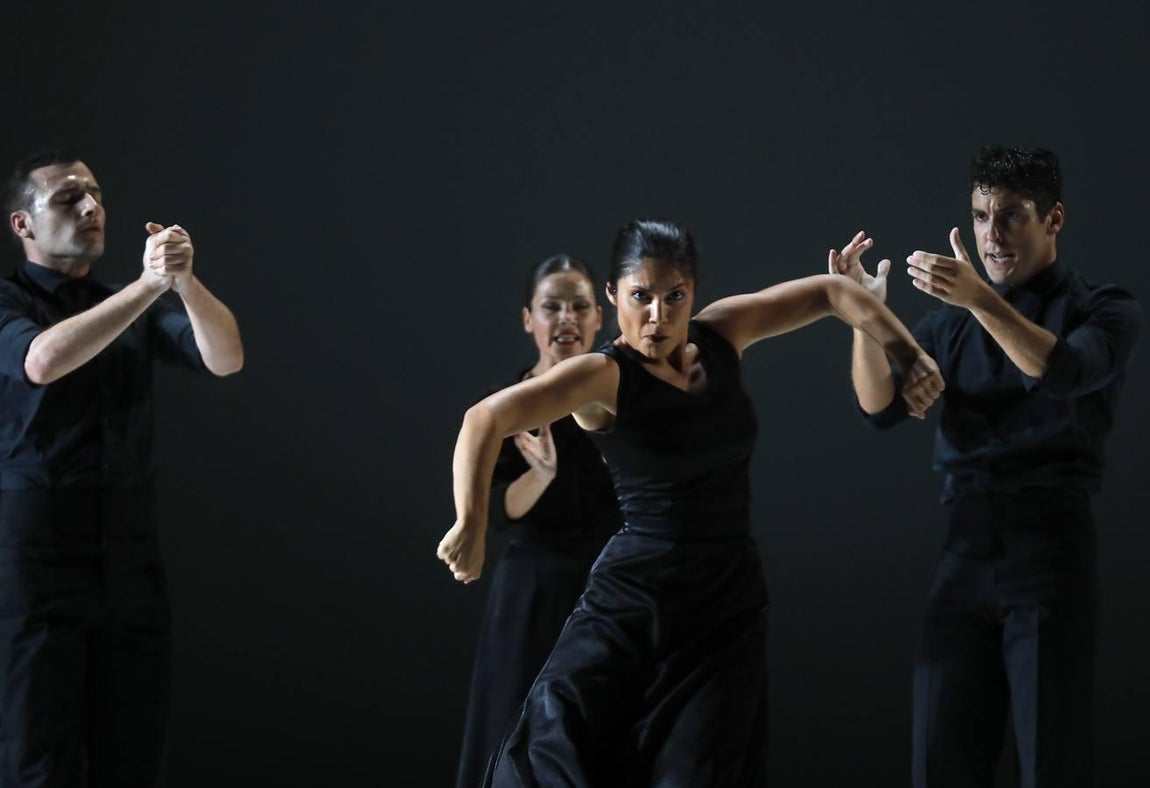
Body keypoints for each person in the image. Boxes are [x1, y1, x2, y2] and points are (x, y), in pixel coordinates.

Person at [438, 219, 943, 785]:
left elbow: (831, 292)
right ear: (613, 297)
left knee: (702, 770)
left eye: (674, 296)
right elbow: (484, 418)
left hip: (724, 603)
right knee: (556, 758)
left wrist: (907, 352)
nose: (658, 316)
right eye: (640, 297)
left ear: (694, 292)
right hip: (635, 602)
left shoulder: (722, 335)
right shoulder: (602, 377)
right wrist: (471, 521)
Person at [834, 145, 1143, 787]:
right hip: (966, 553)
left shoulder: (1104, 308)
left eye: (1010, 216)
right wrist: (860, 314)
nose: (991, 234)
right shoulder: (954, 325)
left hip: (1052, 553)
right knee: (941, 763)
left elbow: (1060, 371)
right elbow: (880, 409)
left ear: (1053, 219)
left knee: (1050, 763)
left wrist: (978, 299)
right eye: (980, 215)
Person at [0, 150, 244, 786]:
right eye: (67, 199)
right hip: (36, 558)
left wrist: (185, 283)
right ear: (22, 225)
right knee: (38, 757)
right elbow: (41, 362)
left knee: (132, 752)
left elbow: (226, 358)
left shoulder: (126, 300)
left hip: (130, 553)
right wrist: (149, 285)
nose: (90, 208)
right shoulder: (9, 298)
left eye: (96, 195)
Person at [455, 254, 622, 787]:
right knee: (511, 731)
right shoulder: (508, 405)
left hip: (606, 590)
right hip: (530, 592)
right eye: (552, 307)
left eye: (579, 307)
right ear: (530, 319)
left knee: (603, 736)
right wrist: (542, 476)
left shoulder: (620, 397)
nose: (566, 319)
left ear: (600, 316)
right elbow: (498, 510)